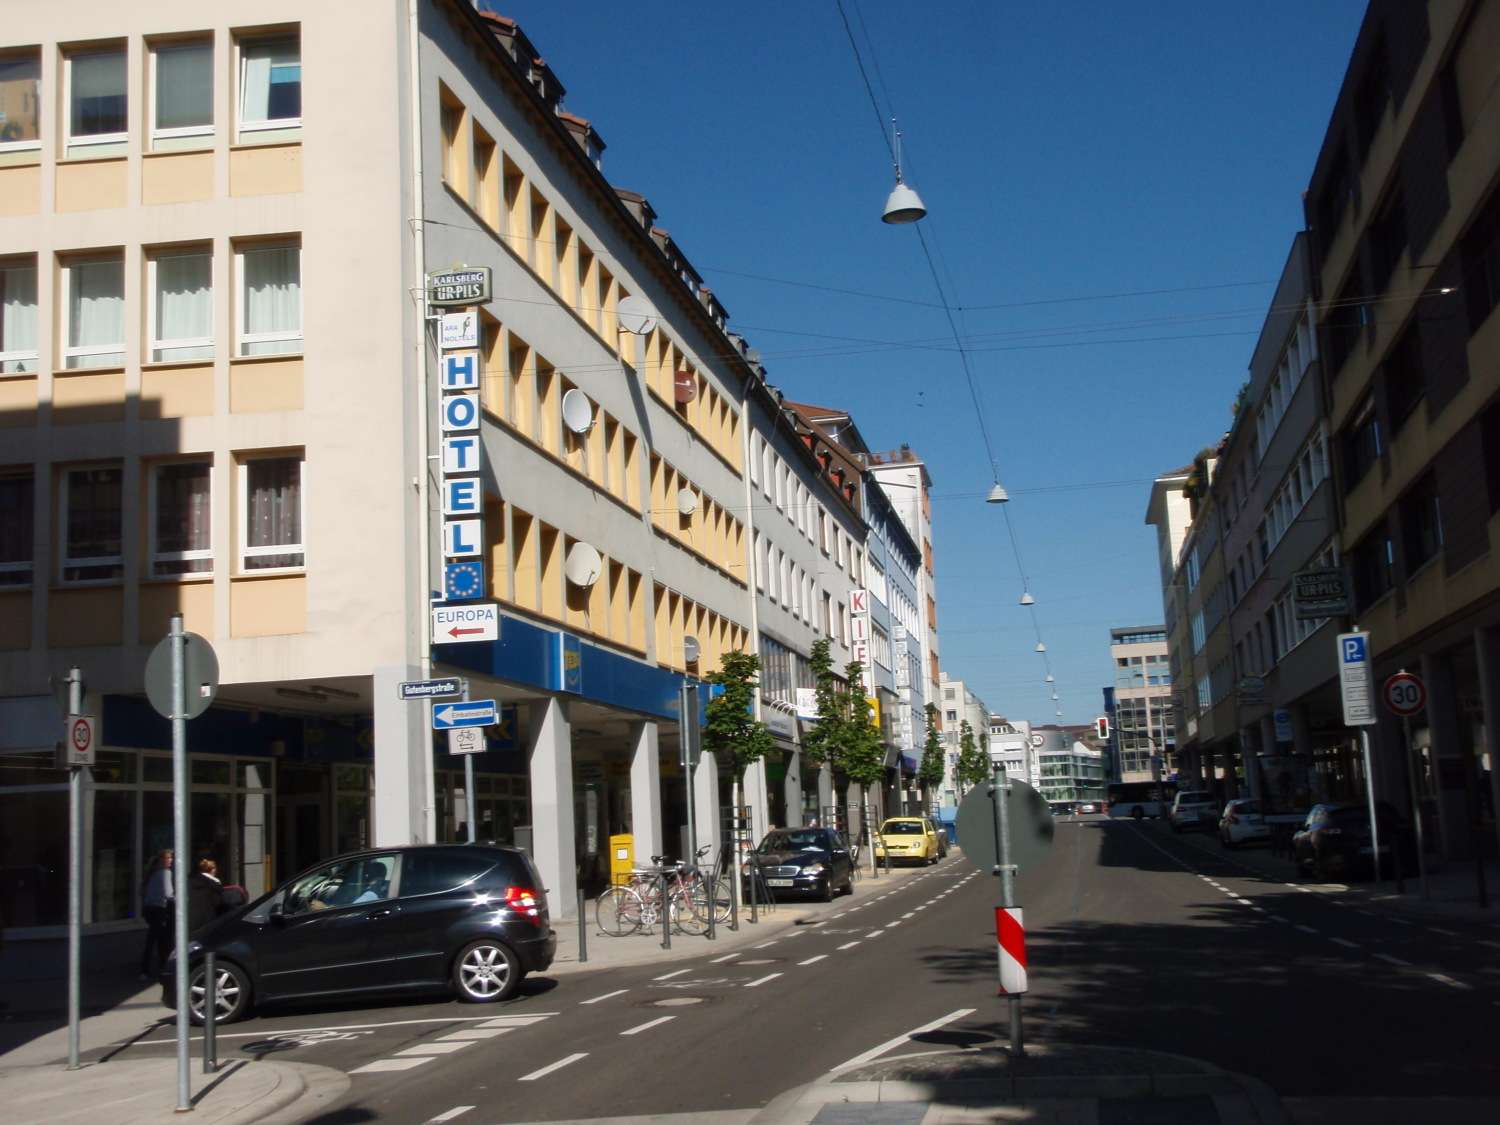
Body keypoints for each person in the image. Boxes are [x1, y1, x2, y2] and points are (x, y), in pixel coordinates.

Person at [140, 849, 174, 980]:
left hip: (149, 909)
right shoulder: (166, 873)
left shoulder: (151, 873)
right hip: (160, 909)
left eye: (171, 858)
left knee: (155, 939)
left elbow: (143, 892)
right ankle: (161, 968)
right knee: (163, 940)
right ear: (161, 860)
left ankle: (148, 969)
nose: (170, 860)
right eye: (168, 858)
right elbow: (168, 894)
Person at [187, 857, 225, 933]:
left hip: (190, 920)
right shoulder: (214, 884)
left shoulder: (190, 881)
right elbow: (218, 903)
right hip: (208, 921)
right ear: (212, 870)